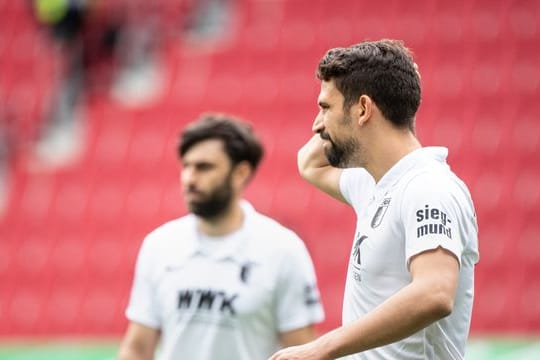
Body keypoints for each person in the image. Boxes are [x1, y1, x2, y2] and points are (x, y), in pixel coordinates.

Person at [270, 40, 479, 359]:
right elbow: (309, 162)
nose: (317, 125)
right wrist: (395, 89)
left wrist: (321, 349)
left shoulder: (427, 188)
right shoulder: (375, 183)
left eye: (325, 108)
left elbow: (434, 293)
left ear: (364, 109)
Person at [118, 114, 324, 360]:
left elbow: (301, 351)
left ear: (240, 173)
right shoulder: (159, 245)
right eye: (186, 166)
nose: (189, 179)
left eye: (204, 167)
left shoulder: (284, 250)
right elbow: (137, 348)